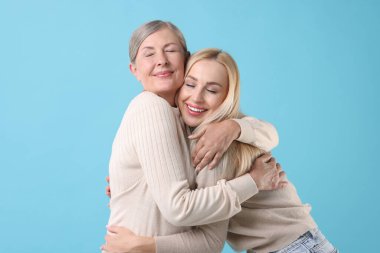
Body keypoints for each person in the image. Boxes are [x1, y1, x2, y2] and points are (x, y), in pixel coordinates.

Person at [102, 49, 338, 253]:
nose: (196, 97)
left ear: (227, 98)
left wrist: (143, 245)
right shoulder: (197, 131)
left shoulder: (216, 146)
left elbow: (199, 226)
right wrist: (139, 183)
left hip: (295, 246)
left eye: (212, 90)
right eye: (190, 84)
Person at [101, 21, 284, 253]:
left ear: (186, 59)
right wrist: (254, 181)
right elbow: (178, 208)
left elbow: (208, 240)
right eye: (149, 53)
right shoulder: (150, 106)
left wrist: (233, 127)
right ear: (134, 69)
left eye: (170, 50)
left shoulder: (195, 127)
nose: (161, 60)